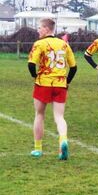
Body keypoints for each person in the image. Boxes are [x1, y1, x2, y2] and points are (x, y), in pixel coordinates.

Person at [28, 18, 77, 160]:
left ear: (46, 29)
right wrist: (67, 82)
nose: (38, 30)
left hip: (43, 83)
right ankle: (63, 141)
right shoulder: (64, 44)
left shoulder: (39, 44)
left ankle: (37, 149)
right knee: (59, 117)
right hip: (60, 84)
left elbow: (31, 65)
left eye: (39, 28)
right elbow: (73, 67)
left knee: (39, 114)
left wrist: (35, 77)